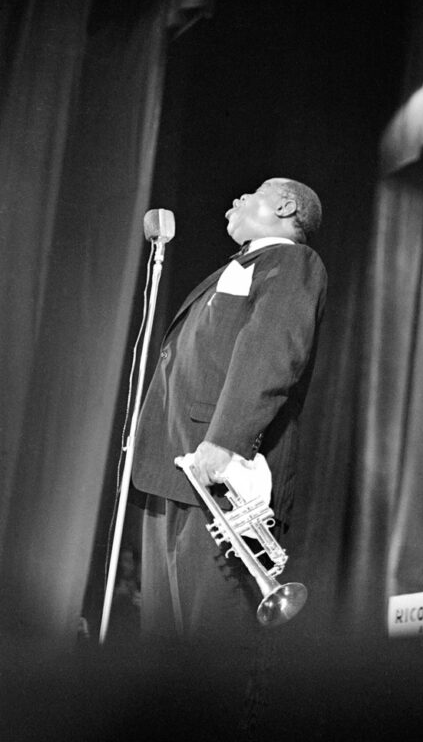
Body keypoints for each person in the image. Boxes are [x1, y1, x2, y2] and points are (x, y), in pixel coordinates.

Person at [130, 178, 326, 730]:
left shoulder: (292, 263)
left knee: (208, 651)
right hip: (170, 468)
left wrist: (226, 441)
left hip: (219, 473)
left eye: (250, 195)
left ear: (285, 206)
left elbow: (272, 349)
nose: (233, 201)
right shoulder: (237, 266)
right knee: (166, 652)